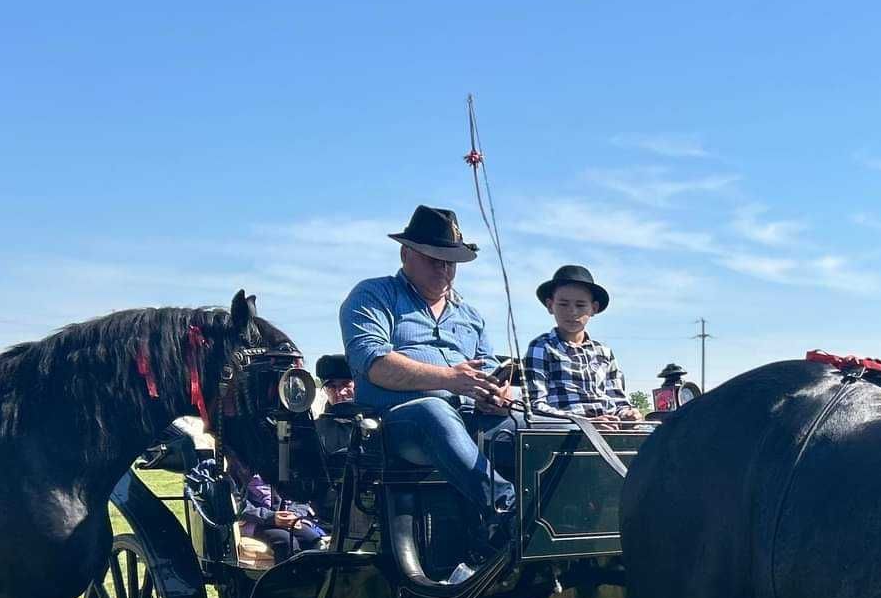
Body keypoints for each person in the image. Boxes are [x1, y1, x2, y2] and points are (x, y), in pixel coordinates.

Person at [338, 205, 521, 575]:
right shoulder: (374, 296)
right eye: (435, 259)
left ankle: (558, 514)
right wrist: (449, 378)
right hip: (396, 424)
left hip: (469, 419)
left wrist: (500, 394)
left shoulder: (470, 316)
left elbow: (486, 372)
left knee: (528, 429)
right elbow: (375, 364)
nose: (445, 269)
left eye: (451, 262)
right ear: (406, 254)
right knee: (433, 412)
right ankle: (507, 509)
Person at [525, 264, 642, 429]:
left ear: (593, 309)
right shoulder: (541, 347)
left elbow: (619, 402)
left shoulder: (604, 353)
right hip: (567, 432)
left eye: (580, 305)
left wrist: (628, 415)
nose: (572, 312)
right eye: (563, 304)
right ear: (550, 306)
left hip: (609, 428)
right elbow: (537, 405)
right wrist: (585, 423)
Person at [225, 451, 328, 562]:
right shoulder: (237, 462)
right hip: (255, 521)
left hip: (286, 520)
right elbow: (237, 504)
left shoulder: (283, 456)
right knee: (286, 541)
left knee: (313, 540)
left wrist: (293, 514)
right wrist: (272, 517)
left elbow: (300, 496)